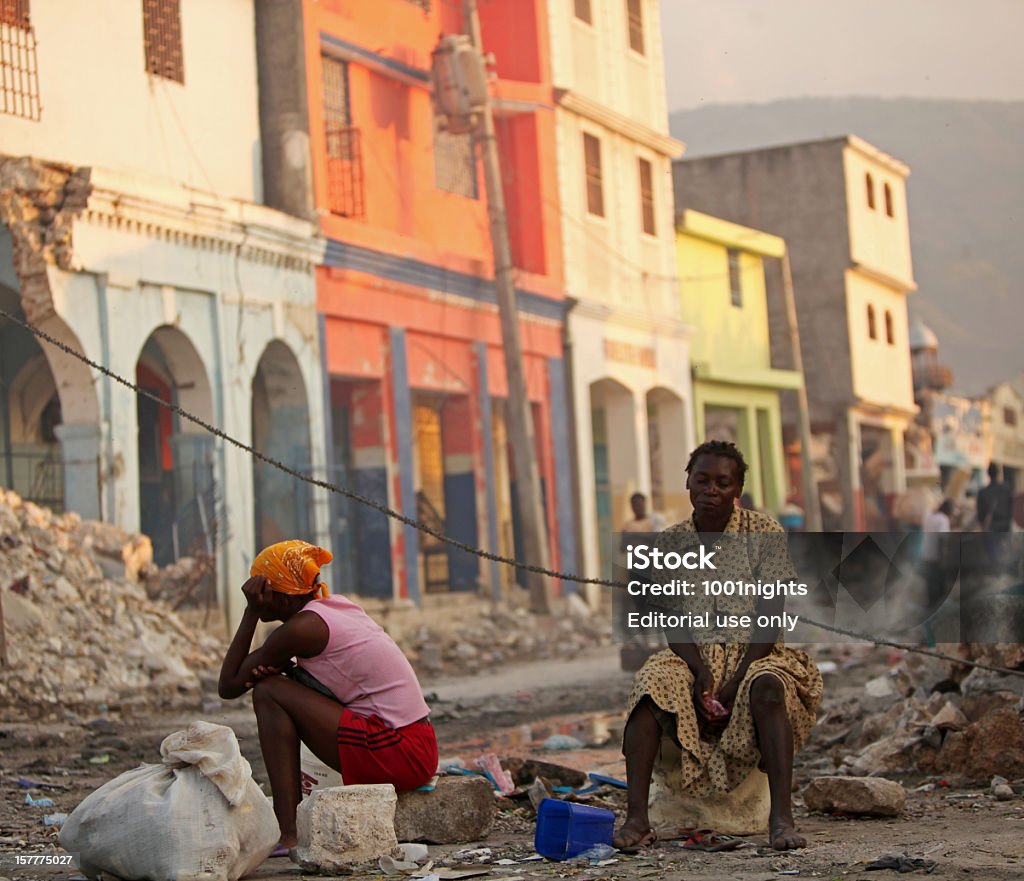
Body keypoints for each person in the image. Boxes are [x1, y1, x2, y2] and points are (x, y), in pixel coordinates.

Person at [612, 441, 823, 852]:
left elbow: (769, 618)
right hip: (692, 658)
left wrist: (735, 678)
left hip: (757, 655)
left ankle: (781, 818)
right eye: (702, 479)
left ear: (736, 490)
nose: (711, 489)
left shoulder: (765, 533)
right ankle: (637, 818)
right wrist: (701, 673)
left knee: (767, 688)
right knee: (651, 684)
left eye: (722, 482)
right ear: (688, 483)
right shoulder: (670, 542)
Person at [218, 540, 437, 853]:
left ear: (280, 595)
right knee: (281, 684)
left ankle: (289, 833)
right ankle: (289, 828)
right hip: (417, 747)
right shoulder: (332, 609)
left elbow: (228, 686)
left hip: (400, 752)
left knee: (269, 692)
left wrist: (251, 612)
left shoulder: (302, 630)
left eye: (261, 587)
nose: (255, 594)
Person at [619, 493, 667, 647]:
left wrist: (638, 538)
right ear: (631, 506)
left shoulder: (653, 522)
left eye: (640, 504)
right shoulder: (627, 526)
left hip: (653, 568)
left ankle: (662, 641)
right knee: (639, 605)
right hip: (635, 569)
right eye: (635, 505)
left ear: (645, 505)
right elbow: (623, 546)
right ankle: (646, 640)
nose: (638, 507)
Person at [920, 499, 953, 646]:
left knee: (930, 587)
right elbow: (942, 539)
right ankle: (937, 621)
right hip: (937, 558)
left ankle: (928, 618)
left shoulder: (929, 516)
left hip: (926, 555)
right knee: (940, 590)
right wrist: (943, 559)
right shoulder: (943, 519)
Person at [977, 463, 1012, 532]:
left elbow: (980, 515)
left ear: (988, 474)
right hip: (1004, 528)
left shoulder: (983, 493)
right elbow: (1011, 509)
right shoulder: (1006, 490)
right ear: (998, 473)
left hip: (989, 528)